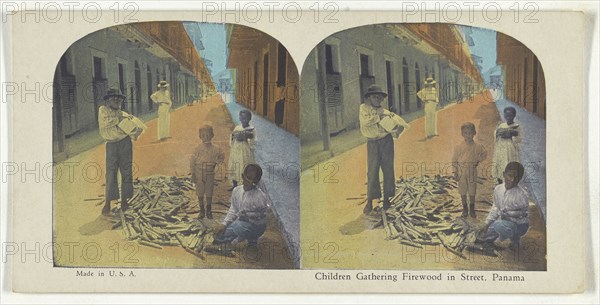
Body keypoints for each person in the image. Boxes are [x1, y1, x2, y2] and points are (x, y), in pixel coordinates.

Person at [359, 85, 409, 214]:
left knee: (387, 169)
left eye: (379, 97)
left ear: (382, 99)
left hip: (386, 141)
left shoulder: (385, 111)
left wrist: (395, 127)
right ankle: (370, 201)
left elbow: (399, 126)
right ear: (369, 98)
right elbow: (365, 123)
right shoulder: (363, 108)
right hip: (372, 143)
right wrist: (378, 117)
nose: (377, 99)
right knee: (372, 171)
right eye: (374, 96)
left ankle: (387, 199)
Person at [204, 164, 270, 256]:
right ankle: (243, 239)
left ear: (256, 181)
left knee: (238, 225)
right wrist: (224, 224)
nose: (250, 182)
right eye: (247, 178)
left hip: (256, 226)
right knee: (219, 233)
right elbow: (233, 209)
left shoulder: (259, 195)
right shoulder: (237, 190)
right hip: (242, 223)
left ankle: (252, 241)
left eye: (253, 180)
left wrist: (248, 216)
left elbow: (263, 215)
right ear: (243, 177)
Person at [98, 88, 142, 216]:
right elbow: (105, 124)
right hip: (111, 145)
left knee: (126, 171)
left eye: (119, 98)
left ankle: (124, 201)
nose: (117, 100)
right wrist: (119, 118)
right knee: (111, 174)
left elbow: (132, 131)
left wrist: (136, 131)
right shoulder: (103, 110)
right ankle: (108, 203)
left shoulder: (123, 113)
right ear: (107, 100)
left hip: (125, 144)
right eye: (114, 98)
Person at [480, 162, 529, 250]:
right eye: (509, 176)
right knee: (485, 230)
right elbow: (495, 208)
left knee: (498, 225)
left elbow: (523, 214)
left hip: (520, 225)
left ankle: (515, 238)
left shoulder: (522, 194)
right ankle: (490, 241)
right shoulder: (498, 189)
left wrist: (509, 213)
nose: (512, 180)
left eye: (516, 178)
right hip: (505, 221)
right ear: (504, 174)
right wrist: (486, 224)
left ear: (520, 179)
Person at [452, 122, 488, 218]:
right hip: (461, 171)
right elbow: (454, 160)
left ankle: (472, 208)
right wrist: (455, 172)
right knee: (462, 190)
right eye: (465, 133)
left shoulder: (478, 146)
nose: (468, 135)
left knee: (472, 190)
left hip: (472, 170)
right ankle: (465, 208)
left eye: (470, 133)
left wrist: (478, 160)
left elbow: (484, 154)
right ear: (462, 134)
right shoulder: (458, 147)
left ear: (474, 133)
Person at [190, 124, 225, 219]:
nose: (206, 137)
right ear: (200, 137)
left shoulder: (216, 148)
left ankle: (208, 210)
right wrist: (193, 174)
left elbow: (222, 155)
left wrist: (217, 162)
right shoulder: (197, 149)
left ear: (212, 135)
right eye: (203, 135)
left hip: (210, 173)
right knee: (200, 192)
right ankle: (202, 210)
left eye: (208, 135)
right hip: (199, 173)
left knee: (209, 191)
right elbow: (192, 162)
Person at [227, 110, 256, 190]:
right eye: (242, 118)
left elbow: (254, 141)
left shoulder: (252, 129)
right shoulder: (237, 127)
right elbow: (232, 137)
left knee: (243, 167)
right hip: (236, 150)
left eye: (246, 118)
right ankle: (234, 185)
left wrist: (247, 138)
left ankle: (243, 186)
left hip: (245, 152)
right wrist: (234, 137)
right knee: (234, 166)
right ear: (239, 118)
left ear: (249, 119)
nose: (244, 120)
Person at [493, 106, 522, 184]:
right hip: (501, 149)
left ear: (514, 115)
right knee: (500, 164)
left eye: (510, 115)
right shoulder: (502, 125)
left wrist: (511, 135)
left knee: (509, 164)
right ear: (504, 116)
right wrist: (498, 133)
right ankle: (500, 180)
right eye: (506, 115)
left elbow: (519, 139)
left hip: (510, 150)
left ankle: (509, 181)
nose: (508, 117)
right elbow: (496, 134)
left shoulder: (517, 127)